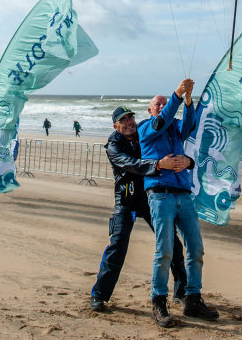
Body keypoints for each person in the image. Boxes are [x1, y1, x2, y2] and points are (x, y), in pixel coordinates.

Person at [137, 79, 218, 327]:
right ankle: (158, 301)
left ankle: (193, 298)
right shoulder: (147, 127)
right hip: (160, 195)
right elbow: (161, 122)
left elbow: (190, 126)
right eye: (157, 104)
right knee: (165, 250)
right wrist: (176, 95)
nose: (162, 106)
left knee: (196, 248)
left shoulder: (175, 127)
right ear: (150, 110)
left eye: (165, 103)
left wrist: (189, 100)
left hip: (183, 194)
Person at [90, 105, 187, 313]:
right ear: (116, 126)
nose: (129, 123)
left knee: (172, 243)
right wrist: (158, 165)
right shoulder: (113, 145)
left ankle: (181, 292)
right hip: (126, 200)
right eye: (124, 120)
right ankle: (99, 295)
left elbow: (163, 136)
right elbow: (131, 163)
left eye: (131, 118)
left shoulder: (144, 134)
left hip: (150, 198)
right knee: (117, 246)